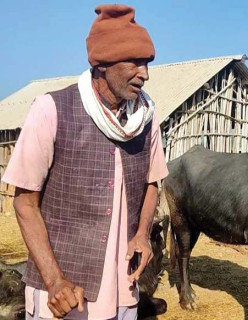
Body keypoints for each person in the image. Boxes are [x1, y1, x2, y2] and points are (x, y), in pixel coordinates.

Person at [1, 4, 168, 320]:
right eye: (135, 62)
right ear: (104, 63)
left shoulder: (146, 117)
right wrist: (54, 281)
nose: (144, 74)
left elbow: (152, 183)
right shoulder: (50, 110)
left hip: (124, 289)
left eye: (147, 63)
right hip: (66, 294)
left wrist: (142, 233)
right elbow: (25, 204)